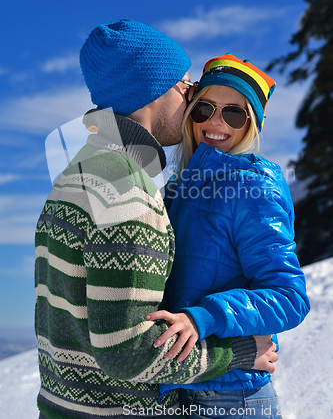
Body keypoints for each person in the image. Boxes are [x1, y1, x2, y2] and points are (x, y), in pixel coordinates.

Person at [34, 24, 277, 419]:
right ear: (154, 89)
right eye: (184, 84)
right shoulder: (127, 190)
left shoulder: (77, 172)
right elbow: (128, 354)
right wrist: (239, 353)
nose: (190, 95)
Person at [146, 54, 311, 418]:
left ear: (251, 124)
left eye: (234, 113)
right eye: (204, 108)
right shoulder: (178, 189)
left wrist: (204, 316)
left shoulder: (254, 186)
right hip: (187, 386)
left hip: (232, 398)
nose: (216, 122)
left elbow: (289, 296)